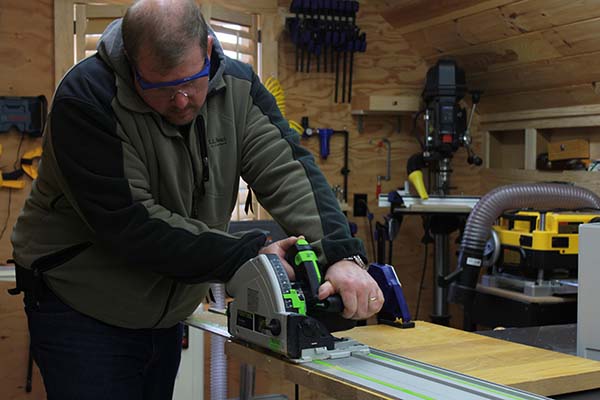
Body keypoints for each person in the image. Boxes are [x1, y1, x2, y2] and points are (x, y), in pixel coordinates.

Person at [10, 0, 383, 398]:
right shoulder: (87, 99)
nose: (183, 100)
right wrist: (251, 253)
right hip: (81, 310)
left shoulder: (238, 87)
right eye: (161, 87)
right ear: (132, 63)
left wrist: (339, 253)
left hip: (164, 315)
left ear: (207, 50)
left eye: (192, 81)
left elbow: (288, 170)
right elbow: (132, 224)